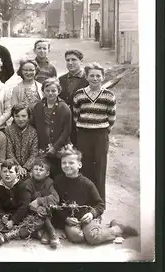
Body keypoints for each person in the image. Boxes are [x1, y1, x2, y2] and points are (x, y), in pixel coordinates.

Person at [53, 148, 138, 245]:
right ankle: (93, 231)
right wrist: (65, 218)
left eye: (71, 163)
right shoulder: (58, 181)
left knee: (93, 238)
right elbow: (56, 204)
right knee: (76, 237)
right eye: (64, 163)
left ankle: (118, 228)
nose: (67, 165)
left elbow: (100, 204)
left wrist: (91, 214)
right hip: (71, 219)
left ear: (79, 165)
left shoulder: (87, 184)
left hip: (87, 217)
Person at [72, 63, 116, 203]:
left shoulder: (109, 95)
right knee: (84, 167)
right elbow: (76, 115)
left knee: (100, 169)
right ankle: (84, 202)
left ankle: (99, 204)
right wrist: (84, 128)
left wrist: (102, 130)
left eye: (98, 75)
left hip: (100, 136)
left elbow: (111, 118)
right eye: (92, 75)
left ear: (103, 77)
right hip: (83, 135)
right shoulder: (79, 94)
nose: (95, 78)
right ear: (86, 77)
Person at [0, 158, 60, 248]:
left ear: (47, 173)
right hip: (32, 212)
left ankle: (11, 235)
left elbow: (56, 198)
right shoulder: (28, 183)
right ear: (31, 171)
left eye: (41, 170)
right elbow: (27, 202)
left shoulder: (49, 182)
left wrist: (39, 201)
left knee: (43, 212)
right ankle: (47, 232)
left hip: (48, 212)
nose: (38, 172)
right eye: (36, 169)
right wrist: (35, 206)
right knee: (35, 218)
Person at [31, 78, 71, 179]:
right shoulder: (38, 106)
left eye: (53, 91)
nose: (50, 93)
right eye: (47, 91)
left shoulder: (64, 108)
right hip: (42, 146)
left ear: (58, 91)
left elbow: (66, 131)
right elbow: (34, 125)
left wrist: (55, 147)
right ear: (43, 91)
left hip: (59, 146)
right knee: (43, 173)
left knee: (58, 174)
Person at [58, 50, 89, 147]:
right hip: (64, 125)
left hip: (83, 124)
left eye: (74, 60)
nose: (70, 63)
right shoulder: (61, 79)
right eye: (67, 60)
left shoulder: (88, 79)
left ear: (81, 61)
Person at [4, 103, 39, 177]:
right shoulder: (8, 130)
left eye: (24, 116)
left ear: (29, 117)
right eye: (17, 116)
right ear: (13, 117)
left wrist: (25, 168)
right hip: (12, 168)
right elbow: (9, 152)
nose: (20, 119)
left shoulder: (33, 132)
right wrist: (17, 166)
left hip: (29, 169)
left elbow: (34, 153)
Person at [0, 160, 24, 236]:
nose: (7, 174)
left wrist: (13, 221)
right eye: (4, 171)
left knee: (29, 219)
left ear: (17, 174)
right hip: (7, 215)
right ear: (0, 173)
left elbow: (24, 206)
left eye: (11, 172)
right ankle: (14, 232)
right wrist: (3, 216)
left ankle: (10, 232)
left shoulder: (22, 186)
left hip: (19, 215)